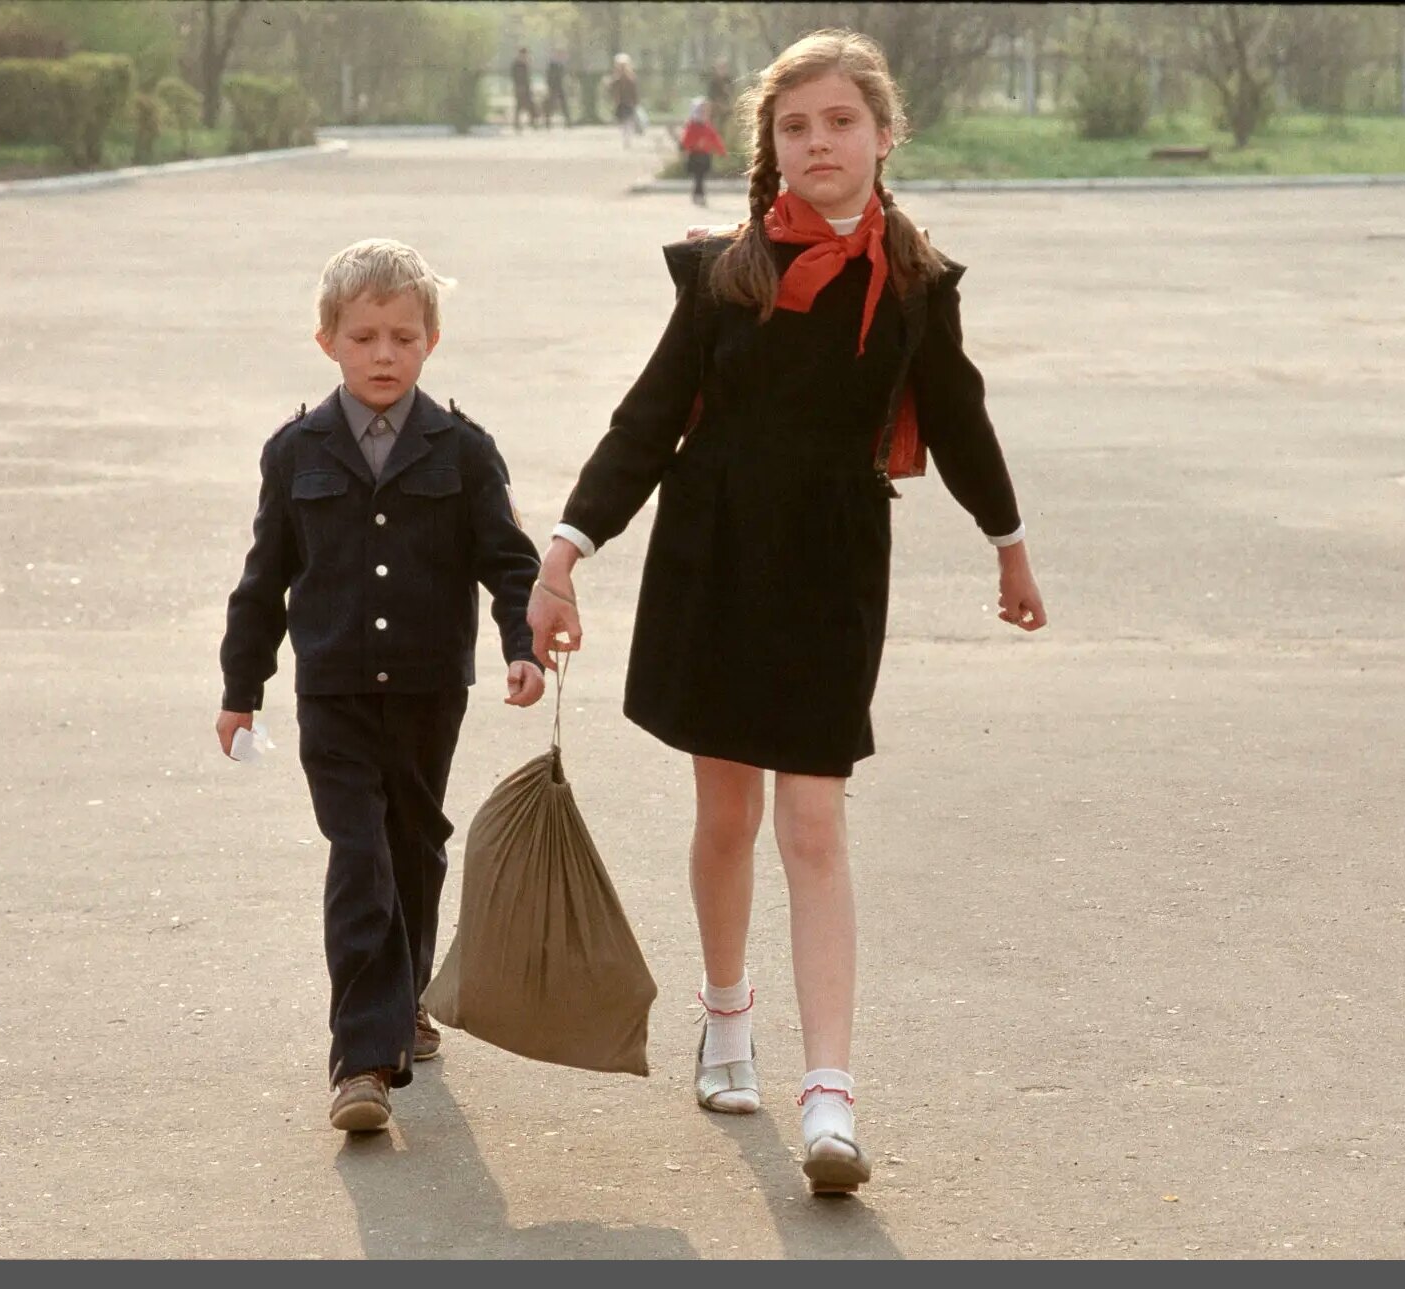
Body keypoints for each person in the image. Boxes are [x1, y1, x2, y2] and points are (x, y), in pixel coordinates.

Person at [526, 29, 1047, 1195]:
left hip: (832, 566)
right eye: (796, 126)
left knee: (813, 821)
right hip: (714, 557)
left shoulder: (916, 284)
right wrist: (565, 550)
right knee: (727, 814)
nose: (820, 142)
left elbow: (958, 419)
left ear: (884, 134)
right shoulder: (725, 273)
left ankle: (830, 1095)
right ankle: (726, 1017)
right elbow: (646, 421)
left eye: (841, 122)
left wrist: (1009, 545)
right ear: (771, 143)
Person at [217, 238, 546, 1135]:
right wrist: (242, 686)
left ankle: (407, 998)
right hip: (332, 691)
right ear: (327, 340)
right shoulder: (295, 451)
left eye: (403, 336)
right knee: (359, 854)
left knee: (414, 844)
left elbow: (508, 562)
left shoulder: (463, 449)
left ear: (431, 340)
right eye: (363, 337)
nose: (384, 355)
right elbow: (263, 581)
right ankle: (362, 1059)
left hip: (430, 689)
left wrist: (523, 645)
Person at [678, 96, 727, 207]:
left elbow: (715, 138)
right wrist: (687, 147)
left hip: (705, 155)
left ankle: (698, 195)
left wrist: (721, 151)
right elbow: (686, 140)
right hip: (695, 156)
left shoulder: (707, 126)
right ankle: (699, 195)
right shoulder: (691, 126)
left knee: (700, 177)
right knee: (698, 177)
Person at [608, 52, 641, 150]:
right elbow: (612, 89)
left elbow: (634, 90)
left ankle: (627, 138)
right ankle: (626, 137)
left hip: (629, 102)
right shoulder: (616, 78)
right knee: (622, 121)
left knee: (628, 121)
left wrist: (635, 100)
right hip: (621, 103)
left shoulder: (631, 78)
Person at [544, 48, 574, 128]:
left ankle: (568, 122)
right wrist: (550, 86)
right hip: (554, 87)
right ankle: (548, 121)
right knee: (551, 105)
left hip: (560, 87)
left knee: (563, 105)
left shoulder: (561, 65)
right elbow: (549, 77)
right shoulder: (552, 65)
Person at [510, 45, 538, 132]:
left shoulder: (525, 64)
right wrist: (518, 87)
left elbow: (527, 78)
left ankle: (532, 122)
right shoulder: (517, 65)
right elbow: (515, 77)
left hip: (526, 88)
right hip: (520, 88)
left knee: (529, 105)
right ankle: (518, 124)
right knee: (519, 106)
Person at [706, 56, 734, 126]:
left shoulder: (729, 80)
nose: (723, 70)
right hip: (716, 108)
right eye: (721, 67)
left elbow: (732, 94)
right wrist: (720, 105)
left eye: (724, 67)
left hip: (727, 107)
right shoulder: (713, 82)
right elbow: (711, 98)